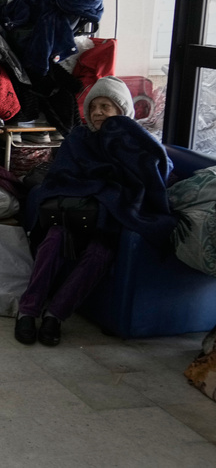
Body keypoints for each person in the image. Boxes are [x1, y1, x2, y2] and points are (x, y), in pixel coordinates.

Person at [14, 76, 176, 347]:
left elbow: (158, 172)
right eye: (94, 107)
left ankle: (55, 315)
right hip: (74, 213)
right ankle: (27, 310)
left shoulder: (137, 142)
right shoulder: (79, 139)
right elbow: (60, 176)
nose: (98, 112)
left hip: (110, 219)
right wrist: (94, 188)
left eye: (107, 106)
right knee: (54, 239)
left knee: (99, 254)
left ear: (122, 111)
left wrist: (110, 189)